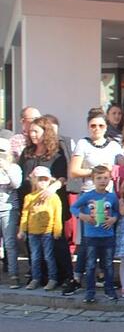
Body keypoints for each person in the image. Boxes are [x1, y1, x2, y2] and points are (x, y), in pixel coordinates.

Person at [69, 111, 123, 290]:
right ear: (88, 126)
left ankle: (103, 275)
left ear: (106, 127)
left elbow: (123, 168)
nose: (97, 129)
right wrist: (97, 172)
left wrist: (112, 169)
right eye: (93, 125)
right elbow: (74, 171)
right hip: (89, 195)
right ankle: (77, 277)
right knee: (87, 240)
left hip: (108, 196)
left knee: (106, 238)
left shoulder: (114, 145)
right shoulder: (83, 143)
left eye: (100, 125)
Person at [18, 117, 71, 291]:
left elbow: (63, 176)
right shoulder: (27, 152)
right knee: (34, 245)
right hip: (31, 204)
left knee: (56, 242)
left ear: (45, 133)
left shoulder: (57, 153)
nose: (32, 134)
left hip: (51, 204)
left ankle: (63, 276)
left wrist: (53, 187)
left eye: (36, 131)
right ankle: (39, 276)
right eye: (31, 131)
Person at [70, 165, 120, 303]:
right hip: (91, 236)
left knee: (108, 264)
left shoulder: (112, 196)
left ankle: (109, 289)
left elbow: (117, 211)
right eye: (99, 178)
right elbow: (73, 207)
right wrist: (83, 216)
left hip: (107, 236)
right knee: (91, 265)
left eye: (105, 178)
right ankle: (90, 292)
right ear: (93, 179)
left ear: (110, 179)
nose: (102, 181)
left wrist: (113, 219)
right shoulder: (88, 195)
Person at [17, 166, 61, 290]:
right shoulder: (29, 197)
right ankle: (36, 278)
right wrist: (22, 230)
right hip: (32, 232)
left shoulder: (53, 197)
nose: (42, 182)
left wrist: (57, 230)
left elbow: (57, 214)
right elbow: (25, 214)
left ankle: (52, 278)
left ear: (50, 180)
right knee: (35, 257)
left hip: (47, 231)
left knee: (48, 256)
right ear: (34, 180)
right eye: (39, 179)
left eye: (45, 179)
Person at [0, 136, 22, 287]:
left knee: (10, 243)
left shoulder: (14, 167)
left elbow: (17, 184)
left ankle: (14, 275)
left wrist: (6, 168)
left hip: (8, 209)